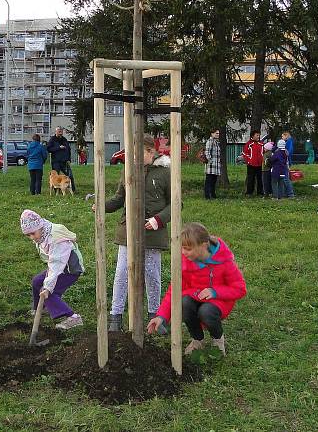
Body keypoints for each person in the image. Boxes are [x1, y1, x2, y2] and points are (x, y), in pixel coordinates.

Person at [102, 135, 171, 333]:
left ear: (150, 152)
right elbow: (119, 198)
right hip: (128, 230)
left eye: (138, 153)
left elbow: (175, 202)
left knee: (152, 273)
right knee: (122, 272)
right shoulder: (128, 170)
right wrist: (102, 206)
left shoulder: (165, 173)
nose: (133, 157)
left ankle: (154, 316)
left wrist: (158, 220)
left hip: (153, 232)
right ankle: (116, 317)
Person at [147, 222, 246, 356]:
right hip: (194, 296)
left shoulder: (224, 261)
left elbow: (239, 288)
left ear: (203, 246)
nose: (183, 252)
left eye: (188, 249)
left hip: (219, 300)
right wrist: (161, 316)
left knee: (206, 311)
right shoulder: (185, 262)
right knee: (184, 303)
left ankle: (218, 340)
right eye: (182, 248)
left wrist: (215, 292)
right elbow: (174, 290)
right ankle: (197, 340)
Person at [21, 209, 84, 330]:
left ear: (39, 227)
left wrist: (48, 288)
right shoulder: (42, 232)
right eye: (28, 235)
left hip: (70, 270)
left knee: (48, 292)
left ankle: (73, 318)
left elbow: (56, 264)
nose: (31, 238)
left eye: (33, 233)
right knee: (37, 282)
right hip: (59, 266)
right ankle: (41, 308)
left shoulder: (56, 239)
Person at [46, 127, 75, 193]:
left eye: (61, 132)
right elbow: (49, 149)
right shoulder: (52, 139)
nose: (60, 133)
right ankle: (57, 191)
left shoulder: (64, 139)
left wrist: (68, 159)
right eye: (59, 132)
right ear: (56, 132)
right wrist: (58, 147)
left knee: (69, 175)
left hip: (64, 161)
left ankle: (72, 189)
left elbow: (68, 149)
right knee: (56, 177)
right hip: (56, 161)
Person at [242, 131, 264, 196]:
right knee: (251, 179)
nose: (258, 137)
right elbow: (244, 153)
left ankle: (260, 192)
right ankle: (249, 192)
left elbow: (264, 152)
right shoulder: (249, 144)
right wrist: (249, 160)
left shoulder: (261, 144)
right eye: (257, 135)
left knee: (260, 179)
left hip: (259, 164)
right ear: (253, 136)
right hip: (251, 164)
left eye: (259, 135)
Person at [204, 129, 220, 200]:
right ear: (212, 134)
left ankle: (213, 194)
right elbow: (207, 152)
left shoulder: (216, 142)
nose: (218, 135)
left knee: (214, 181)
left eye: (218, 133)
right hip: (211, 165)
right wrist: (210, 161)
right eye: (216, 133)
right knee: (209, 181)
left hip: (216, 165)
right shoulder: (210, 141)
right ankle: (207, 195)